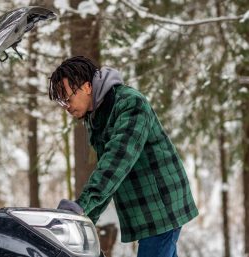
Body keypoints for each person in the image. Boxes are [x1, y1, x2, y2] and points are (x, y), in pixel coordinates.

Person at [48, 56, 198, 257]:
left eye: (67, 97)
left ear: (86, 87)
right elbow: (109, 176)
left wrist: (82, 206)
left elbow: (117, 162)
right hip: (145, 210)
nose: (66, 106)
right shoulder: (97, 118)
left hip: (161, 206)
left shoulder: (130, 104)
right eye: (61, 101)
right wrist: (85, 217)